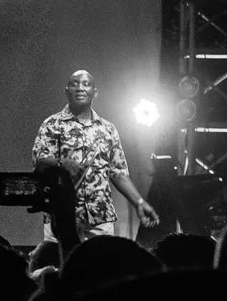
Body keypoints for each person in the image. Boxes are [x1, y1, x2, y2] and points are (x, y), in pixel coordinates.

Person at [30, 69, 159, 240]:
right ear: (66, 91)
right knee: (60, 265)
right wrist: (61, 163)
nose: (80, 88)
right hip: (61, 216)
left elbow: (117, 172)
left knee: (101, 266)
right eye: (74, 84)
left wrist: (139, 202)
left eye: (86, 84)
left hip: (100, 218)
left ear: (95, 92)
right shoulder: (52, 124)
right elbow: (39, 162)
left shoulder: (107, 129)